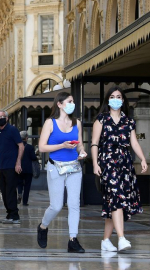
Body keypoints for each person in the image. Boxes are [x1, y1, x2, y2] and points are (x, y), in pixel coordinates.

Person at [91, 86, 148, 252]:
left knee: (114, 202)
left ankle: (106, 240)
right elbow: (94, 143)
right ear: (108, 100)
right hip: (107, 164)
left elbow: (134, 143)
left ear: (123, 100)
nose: (116, 99)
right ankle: (122, 238)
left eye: (118, 96)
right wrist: (95, 163)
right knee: (117, 198)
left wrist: (143, 158)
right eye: (113, 96)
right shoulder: (101, 120)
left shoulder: (129, 121)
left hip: (125, 165)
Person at [36, 92, 87, 253]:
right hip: (55, 167)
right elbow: (42, 147)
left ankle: (73, 239)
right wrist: (62, 146)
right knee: (56, 206)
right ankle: (43, 226)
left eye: (73, 101)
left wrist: (82, 151)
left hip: (73, 168)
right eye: (69, 101)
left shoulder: (76, 123)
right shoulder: (50, 123)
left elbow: (79, 143)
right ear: (59, 104)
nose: (72, 104)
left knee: (74, 204)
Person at [0, 110, 23, 224]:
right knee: (3, 191)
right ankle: (9, 214)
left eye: (1, 117)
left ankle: (15, 215)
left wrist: (18, 162)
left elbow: (21, 146)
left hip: (11, 166)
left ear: (7, 118)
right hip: (2, 166)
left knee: (10, 191)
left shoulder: (12, 130)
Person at [17, 131, 38, 206]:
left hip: (19, 168)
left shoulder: (17, 146)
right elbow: (33, 157)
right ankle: (25, 202)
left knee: (19, 183)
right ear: (26, 138)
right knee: (27, 185)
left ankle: (19, 193)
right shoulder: (30, 147)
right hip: (28, 169)